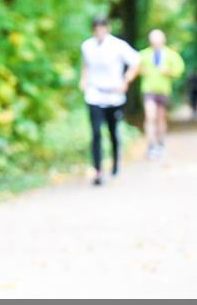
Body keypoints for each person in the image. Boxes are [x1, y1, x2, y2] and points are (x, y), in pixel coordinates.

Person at [79, 16, 140, 185]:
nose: (99, 32)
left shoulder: (118, 46)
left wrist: (126, 80)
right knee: (96, 132)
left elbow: (136, 62)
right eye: (96, 28)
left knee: (113, 132)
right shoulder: (87, 46)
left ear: (107, 28)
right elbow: (85, 65)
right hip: (94, 94)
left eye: (102, 28)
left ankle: (115, 163)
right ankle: (98, 170)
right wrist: (83, 80)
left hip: (114, 96)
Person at [138, 29, 185, 159]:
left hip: (163, 90)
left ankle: (161, 143)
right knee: (150, 116)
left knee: (160, 118)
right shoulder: (144, 54)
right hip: (148, 90)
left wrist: (168, 71)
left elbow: (179, 69)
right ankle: (151, 145)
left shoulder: (170, 54)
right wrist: (141, 70)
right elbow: (134, 66)